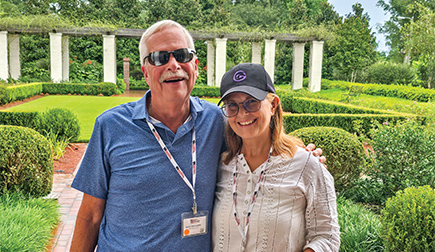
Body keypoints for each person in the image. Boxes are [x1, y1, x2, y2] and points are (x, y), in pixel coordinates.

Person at [70, 20, 325, 251]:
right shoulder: (111, 126)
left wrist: (303, 157)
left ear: (194, 66)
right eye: (159, 57)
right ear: (145, 71)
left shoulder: (218, 121)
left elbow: (257, 134)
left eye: (181, 55)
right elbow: (90, 215)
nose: (173, 64)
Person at [212, 63, 340, 252]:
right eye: (232, 105)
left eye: (252, 101)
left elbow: (326, 237)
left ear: (273, 105)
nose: (242, 113)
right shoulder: (220, 165)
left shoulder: (306, 165)